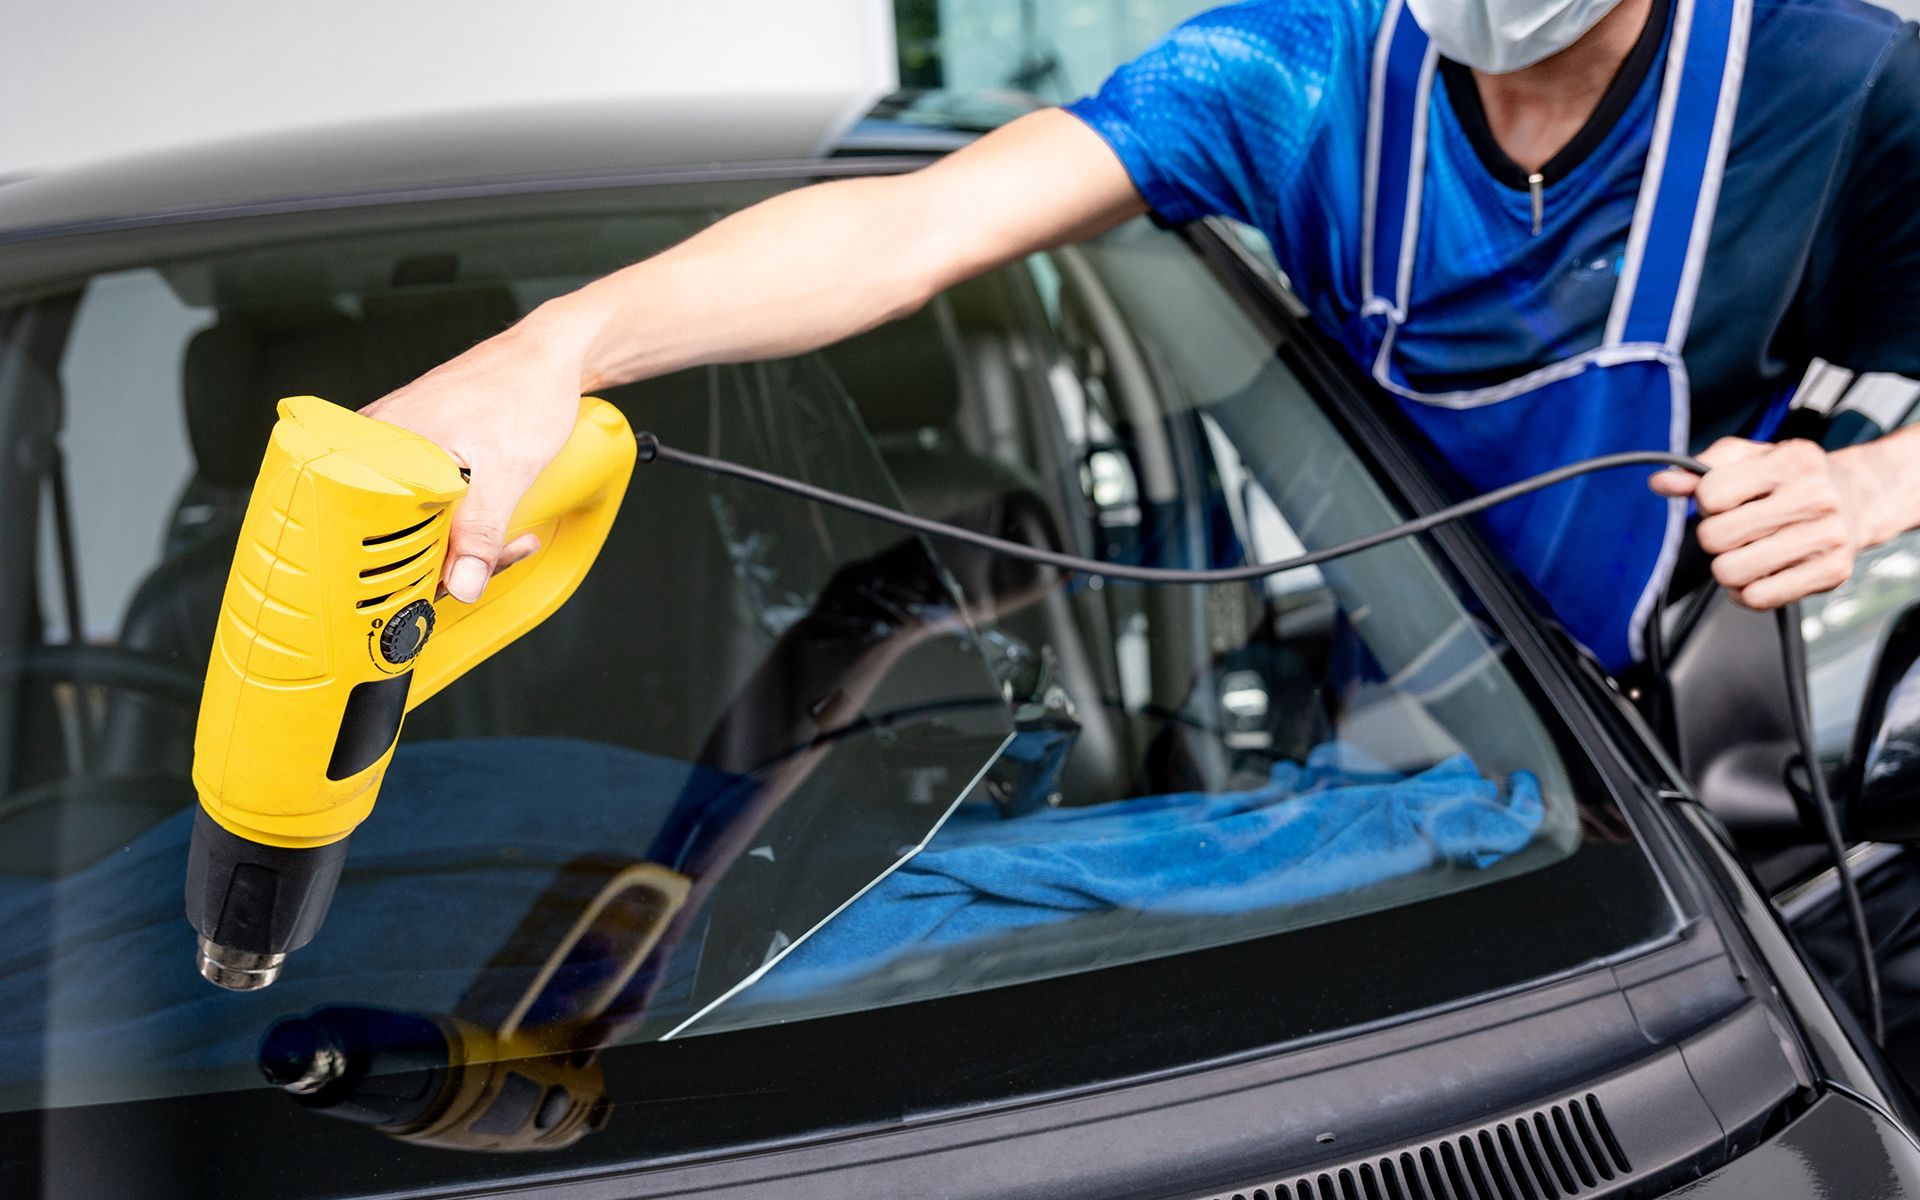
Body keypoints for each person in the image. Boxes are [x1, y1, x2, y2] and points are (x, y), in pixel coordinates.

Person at [365, 0, 1920, 675]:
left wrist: (1861, 494)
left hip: (1669, 766)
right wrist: (553, 351)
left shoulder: (1834, 91)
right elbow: (912, 229)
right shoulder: (1293, 75)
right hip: (1401, 714)